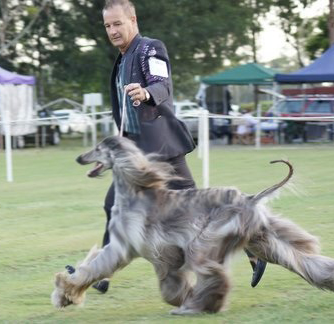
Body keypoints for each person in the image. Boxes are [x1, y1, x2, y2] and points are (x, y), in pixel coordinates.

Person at [93, 0, 266, 293]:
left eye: (117, 23)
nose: (113, 30)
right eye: (108, 25)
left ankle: (254, 246)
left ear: (132, 20)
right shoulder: (122, 60)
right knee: (114, 206)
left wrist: (146, 92)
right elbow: (125, 120)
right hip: (137, 154)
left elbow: (162, 85)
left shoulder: (149, 48)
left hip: (161, 150)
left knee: (198, 210)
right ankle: (102, 275)